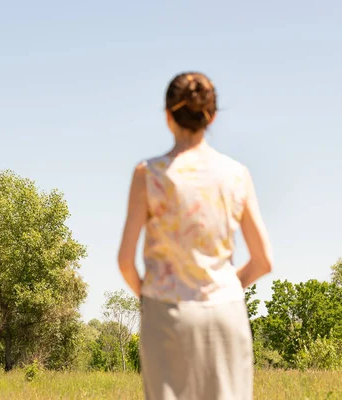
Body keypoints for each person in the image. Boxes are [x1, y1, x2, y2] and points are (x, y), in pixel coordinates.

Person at [117, 72, 273, 400]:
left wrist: (148, 297)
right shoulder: (236, 175)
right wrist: (224, 287)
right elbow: (262, 261)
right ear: (212, 117)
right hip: (225, 314)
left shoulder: (148, 175)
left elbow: (125, 261)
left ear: (167, 116)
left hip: (166, 313)